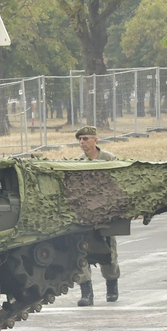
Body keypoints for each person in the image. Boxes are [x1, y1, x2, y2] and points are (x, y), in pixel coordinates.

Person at [71, 126, 119, 306]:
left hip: (107, 212)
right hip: (86, 213)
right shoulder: (78, 162)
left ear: (95, 140)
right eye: (80, 139)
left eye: (85, 139)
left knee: (108, 250)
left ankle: (112, 287)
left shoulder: (109, 159)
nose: (82, 142)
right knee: (81, 251)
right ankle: (86, 292)